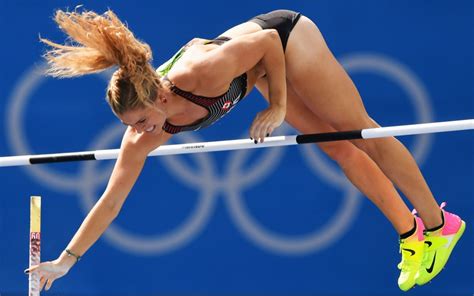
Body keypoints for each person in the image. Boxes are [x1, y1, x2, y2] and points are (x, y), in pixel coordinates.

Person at [25, 9, 465, 292]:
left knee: (358, 131)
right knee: (340, 151)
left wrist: (277, 107)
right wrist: (66, 261)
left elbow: (269, 44)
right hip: (257, 72)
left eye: (140, 121)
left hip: (288, 40)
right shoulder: (144, 133)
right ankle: (411, 236)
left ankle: (439, 225)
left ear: (159, 97)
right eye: (130, 127)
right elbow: (112, 200)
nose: (138, 132)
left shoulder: (203, 71)